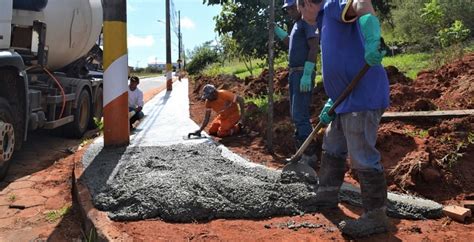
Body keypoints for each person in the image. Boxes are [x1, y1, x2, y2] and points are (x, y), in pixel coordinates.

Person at [297, 0, 390, 237]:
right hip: (343, 101)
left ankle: (376, 216)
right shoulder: (323, 21)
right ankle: (326, 195)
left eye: (299, 9)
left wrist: (372, 41)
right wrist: (333, 100)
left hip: (362, 97)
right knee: (332, 146)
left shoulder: (331, 6)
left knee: (361, 156)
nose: (299, 14)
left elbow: (362, 3)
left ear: (307, 3)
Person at [274, 0, 319, 167]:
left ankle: (309, 154)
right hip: (294, 73)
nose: (290, 11)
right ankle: (301, 152)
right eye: (288, 9)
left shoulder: (307, 22)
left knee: (300, 114)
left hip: (302, 72)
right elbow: (290, 44)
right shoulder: (296, 25)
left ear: (301, 6)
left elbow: (314, 46)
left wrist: (308, 73)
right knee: (296, 114)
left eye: (293, 7)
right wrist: (277, 31)